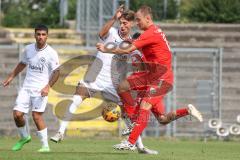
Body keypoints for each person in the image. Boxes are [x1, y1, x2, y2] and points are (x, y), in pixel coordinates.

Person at [50, 6, 158, 154]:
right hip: (94, 76)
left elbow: (138, 61)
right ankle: (61, 132)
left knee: (126, 114)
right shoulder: (112, 32)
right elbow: (101, 33)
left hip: (113, 83)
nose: (122, 25)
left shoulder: (133, 44)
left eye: (126, 23)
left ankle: (139, 146)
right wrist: (114, 18)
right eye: (121, 22)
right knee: (76, 99)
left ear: (132, 24)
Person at [96, 5, 203, 150]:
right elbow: (138, 47)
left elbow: (129, 49)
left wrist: (106, 49)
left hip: (162, 78)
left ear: (148, 18)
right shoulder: (151, 32)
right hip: (150, 75)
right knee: (162, 119)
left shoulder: (150, 33)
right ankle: (187, 111)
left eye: (138, 20)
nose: (137, 23)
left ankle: (130, 142)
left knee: (144, 106)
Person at [2, 24, 60, 152]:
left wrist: (48, 86)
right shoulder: (28, 49)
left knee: (36, 116)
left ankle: (45, 146)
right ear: (34, 35)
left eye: (43, 34)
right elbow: (22, 63)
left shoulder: (51, 53)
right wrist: (11, 77)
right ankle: (24, 137)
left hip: (40, 90)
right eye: (38, 34)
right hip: (26, 88)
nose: (40, 37)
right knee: (17, 114)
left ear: (47, 36)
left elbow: (57, 72)